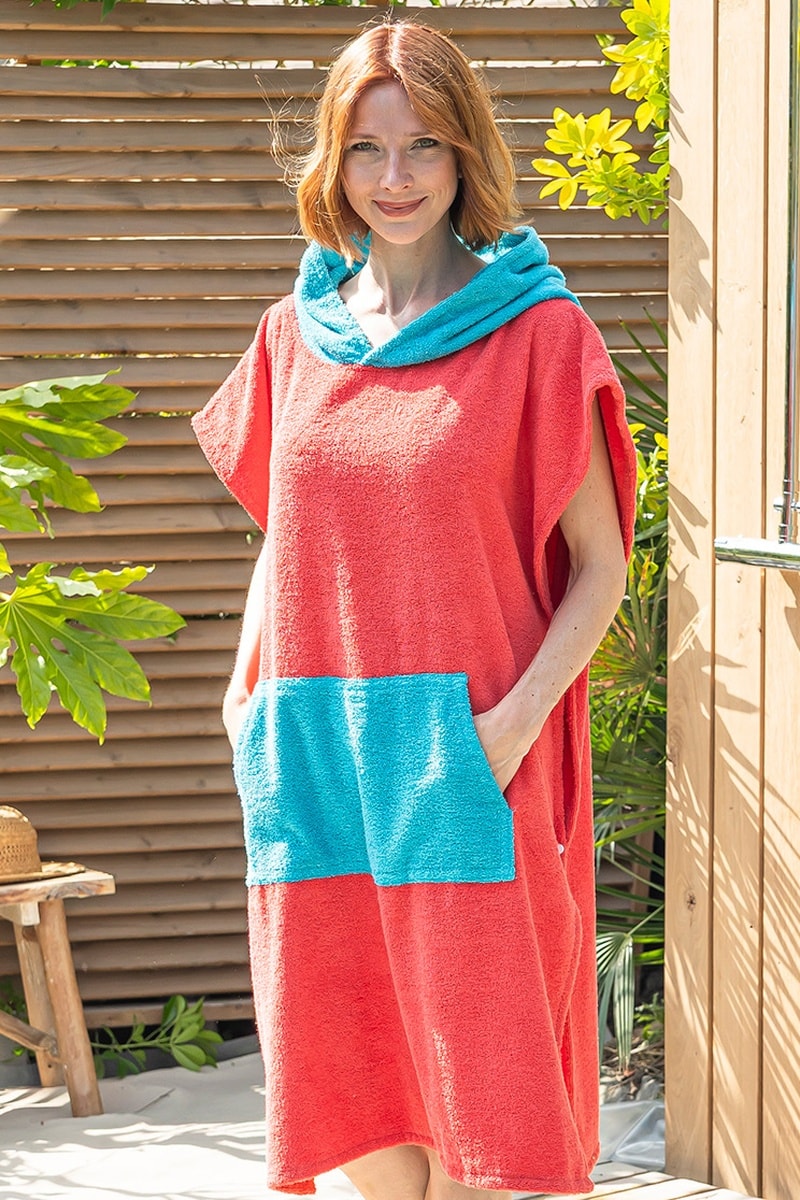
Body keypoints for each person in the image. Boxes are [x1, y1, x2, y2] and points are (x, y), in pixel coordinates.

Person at [192, 18, 636, 1200]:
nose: (393, 178)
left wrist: (507, 730)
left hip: (465, 757)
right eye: (365, 148)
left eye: (423, 145)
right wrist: (241, 700)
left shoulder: (538, 335)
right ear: (331, 162)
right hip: (316, 754)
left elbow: (599, 566)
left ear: (465, 154)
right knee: (353, 1102)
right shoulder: (292, 336)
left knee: (483, 1131)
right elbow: (286, 536)